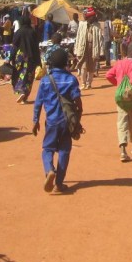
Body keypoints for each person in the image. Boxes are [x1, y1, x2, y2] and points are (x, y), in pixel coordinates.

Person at [31, 48, 82, 194]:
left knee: (48, 149)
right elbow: (78, 101)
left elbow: (38, 103)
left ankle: (49, 170)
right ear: (66, 63)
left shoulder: (46, 80)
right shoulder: (71, 79)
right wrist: (78, 117)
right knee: (65, 150)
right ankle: (59, 184)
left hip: (51, 121)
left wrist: (35, 121)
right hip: (67, 121)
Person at [105, 54, 132, 162]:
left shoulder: (119, 63)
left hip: (120, 98)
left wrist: (118, 85)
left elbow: (108, 75)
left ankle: (123, 151)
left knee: (122, 121)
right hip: (131, 97)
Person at [11, 13, 41, 104]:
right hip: (31, 57)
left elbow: (14, 46)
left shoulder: (18, 32)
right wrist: (38, 60)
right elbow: (36, 47)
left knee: (20, 74)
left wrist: (11, 58)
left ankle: (21, 91)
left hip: (20, 57)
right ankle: (25, 94)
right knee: (29, 76)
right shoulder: (33, 32)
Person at [74, 8, 104, 89]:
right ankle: (83, 83)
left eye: (93, 17)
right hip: (83, 48)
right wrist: (76, 49)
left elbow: (100, 39)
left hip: (93, 48)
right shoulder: (81, 25)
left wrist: (101, 51)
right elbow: (78, 37)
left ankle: (89, 84)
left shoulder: (97, 26)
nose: (92, 18)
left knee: (91, 67)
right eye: (90, 17)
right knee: (83, 67)